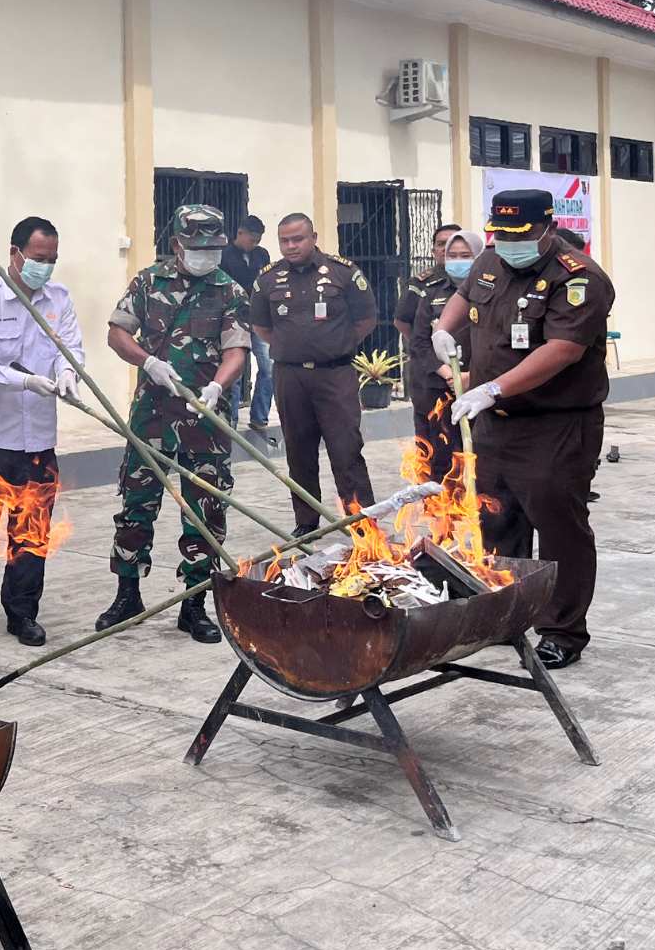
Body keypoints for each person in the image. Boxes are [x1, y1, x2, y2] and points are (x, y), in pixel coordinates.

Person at [433, 189, 615, 670]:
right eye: (502, 234)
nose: (509, 243)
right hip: (494, 423)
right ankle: (505, 614)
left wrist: (491, 389)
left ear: (548, 227)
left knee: (559, 527)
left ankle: (561, 631)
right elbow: (463, 295)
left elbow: (563, 350)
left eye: (521, 234)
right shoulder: (491, 261)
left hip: (554, 424)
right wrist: (444, 329)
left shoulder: (579, 278)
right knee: (497, 519)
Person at [96, 205, 250, 642]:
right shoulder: (148, 282)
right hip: (151, 415)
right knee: (136, 502)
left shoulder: (230, 290)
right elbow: (117, 333)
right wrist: (147, 362)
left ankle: (195, 604)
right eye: (199, 247)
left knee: (205, 511)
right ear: (178, 244)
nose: (208, 255)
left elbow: (236, 350)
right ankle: (128, 594)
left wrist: (218, 388)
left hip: (205, 417)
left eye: (215, 248)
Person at [0, 216, 83, 648]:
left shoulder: (58, 299)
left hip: (37, 440)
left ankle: (23, 612)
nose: (46, 267)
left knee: (32, 532)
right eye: (39, 258)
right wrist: (21, 380)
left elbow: (71, 348)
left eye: (53, 259)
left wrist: (67, 373)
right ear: (15, 254)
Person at [252, 213, 378, 535]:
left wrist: (335, 346)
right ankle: (306, 523)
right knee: (298, 451)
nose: (291, 246)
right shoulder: (267, 279)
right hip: (289, 378)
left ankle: (360, 522)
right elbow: (263, 328)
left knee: (346, 449)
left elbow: (365, 320)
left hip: (334, 375)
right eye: (284, 241)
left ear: (314, 237)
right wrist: (296, 349)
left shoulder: (343, 273)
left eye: (298, 239)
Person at [396, 226, 477, 482]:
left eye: (465, 255)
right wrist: (447, 373)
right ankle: (443, 512)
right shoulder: (430, 291)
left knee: (478, 451)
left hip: (480, 381)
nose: (456, 260)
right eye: (452, 255)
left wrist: (469, 376)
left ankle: (481, 509)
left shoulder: (491, 291)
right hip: (436, 383)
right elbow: (418, 340)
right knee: (440, 449)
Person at [219, 215, 273, 430]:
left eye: (258, 240)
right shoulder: (224, 256)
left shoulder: (262, 255)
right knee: (236, 371)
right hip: (234, 319)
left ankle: (260, 417)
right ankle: (230, 420)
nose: (254, 244)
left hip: (259, 318)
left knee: (269, 367)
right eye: (251, 239)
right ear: (240, 233)